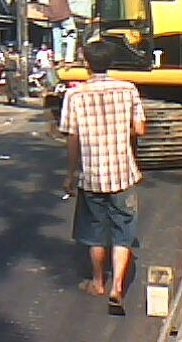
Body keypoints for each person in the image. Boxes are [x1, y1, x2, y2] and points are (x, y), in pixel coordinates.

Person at [59, 40, 146, 315]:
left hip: (92, 176)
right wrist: (120, 134)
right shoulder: (128, 89)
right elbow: (140, 129)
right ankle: (117, 286)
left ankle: (98, 282)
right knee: (123, 231)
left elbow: (72, 138)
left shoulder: (75, 96)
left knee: (95, 231)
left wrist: (71, 174)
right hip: (123, 173)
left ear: (86, 63)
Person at [44, 0, 82, 64]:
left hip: (53, 15)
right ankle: (69, 58)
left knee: (57, 36)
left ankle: (58, 56)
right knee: (71, 34)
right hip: (64, 14)